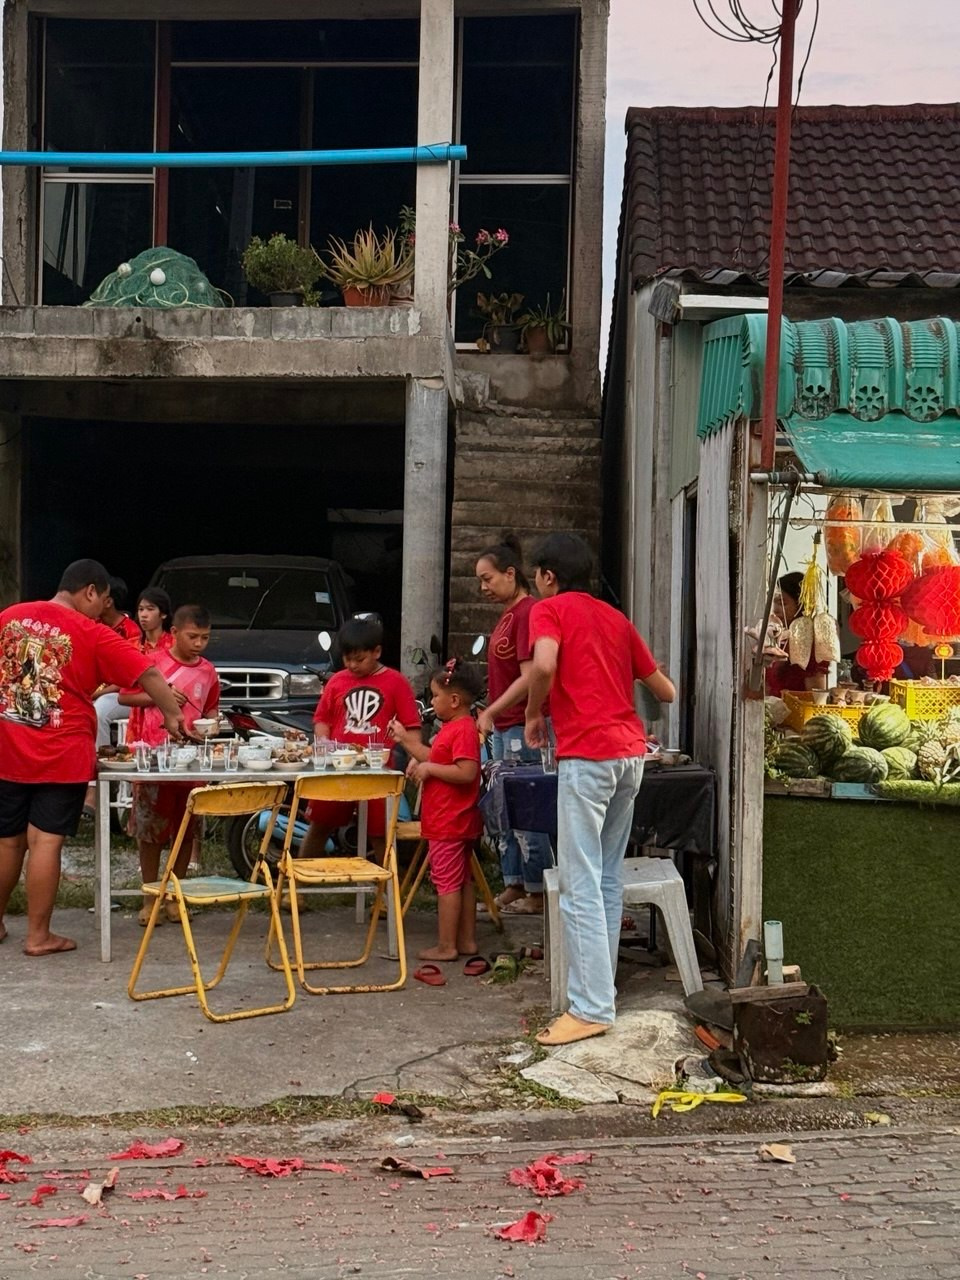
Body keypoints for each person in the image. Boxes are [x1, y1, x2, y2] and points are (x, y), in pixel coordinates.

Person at [523, 532, 675, 1046]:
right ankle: (599, 995)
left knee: (579, 882)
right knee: (607, 879)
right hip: (630, 756)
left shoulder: (550, 611)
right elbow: (666, 691)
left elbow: (543, 664)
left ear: (547, 575)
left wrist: (533, 713)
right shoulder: (616, 618)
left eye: (538, 577)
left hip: (587, 756)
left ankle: (590, 1007)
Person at [0, 560, 187, 955]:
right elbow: (149, 674)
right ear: (89, 591)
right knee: (45, 841)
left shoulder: (10, 618)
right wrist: (173, 715)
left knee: (7, 842)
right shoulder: (92, 632)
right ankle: (38, 936)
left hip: (7, 746)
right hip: (61, 752)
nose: (104, 608)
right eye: (102, 600)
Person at [120, 605, 220, 925]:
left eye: (205, 638)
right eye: (193, 637)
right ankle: (151, 898)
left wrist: (213, 725)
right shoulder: (154, 663)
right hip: (155, 758)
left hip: (192, 762)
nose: (199, 644)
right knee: (151, 834)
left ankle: (176, 897)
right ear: (174, 633)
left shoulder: (208, 671)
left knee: (185, 832)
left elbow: (213, 709)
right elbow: (125, 696)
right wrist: (159, 697)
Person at [474, 533, 554, 914]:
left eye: (488, 578)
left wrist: (490, 711)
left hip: (522, 726)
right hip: (505, 726)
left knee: (529, 810)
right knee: (505, 808)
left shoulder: (528, 613)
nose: (483, 587)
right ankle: (516, 884)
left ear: (511, 573)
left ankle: (538, 890)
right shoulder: (508, 615)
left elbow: (528, 677)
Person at [299, 616, 419, 860]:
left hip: (378, 772)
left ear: (377, 652)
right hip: (337, 768)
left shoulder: (396, 682)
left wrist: (415, 756)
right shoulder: (337, 681)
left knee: (380, 833)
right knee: (319, 825)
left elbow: (411, 727)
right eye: (347, 659)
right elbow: (322, 719)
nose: (352, 665)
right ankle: (298, 886)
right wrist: (323, 743)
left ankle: (384, 892)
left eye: (359, 659)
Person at [389, 661, 483, 963]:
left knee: (446, 883)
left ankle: (446, 945)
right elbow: (433, 756)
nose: (431, 702)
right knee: (462, 880)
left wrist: (430, 767)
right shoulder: (454, 727)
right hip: (455, 819)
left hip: (449, 820)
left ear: (454, 700)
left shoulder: (463, 729)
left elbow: (467, 772)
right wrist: (409, 744)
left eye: (434, 696)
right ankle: (466, 941)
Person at [765, 572, 829, 697]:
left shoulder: (813, 647)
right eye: (775, 603)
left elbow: (815, 698)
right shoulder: (778, 639)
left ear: (800, 605)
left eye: (783, 603)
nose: (776, 609)